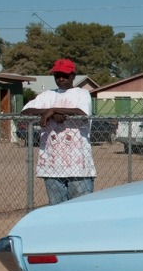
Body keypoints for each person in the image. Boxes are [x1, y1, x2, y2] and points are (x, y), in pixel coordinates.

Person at [22, 58, 97, 204]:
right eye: (57, 75)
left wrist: (54, 110)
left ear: (73, 76)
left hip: (78, 165)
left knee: (81, 207)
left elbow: (82, 112)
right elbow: (25, 111)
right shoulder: (47, 95)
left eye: (65, 75)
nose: (61, 78)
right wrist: (49, 111)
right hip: (51, 165)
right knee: (56, 209)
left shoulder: (81, 94)